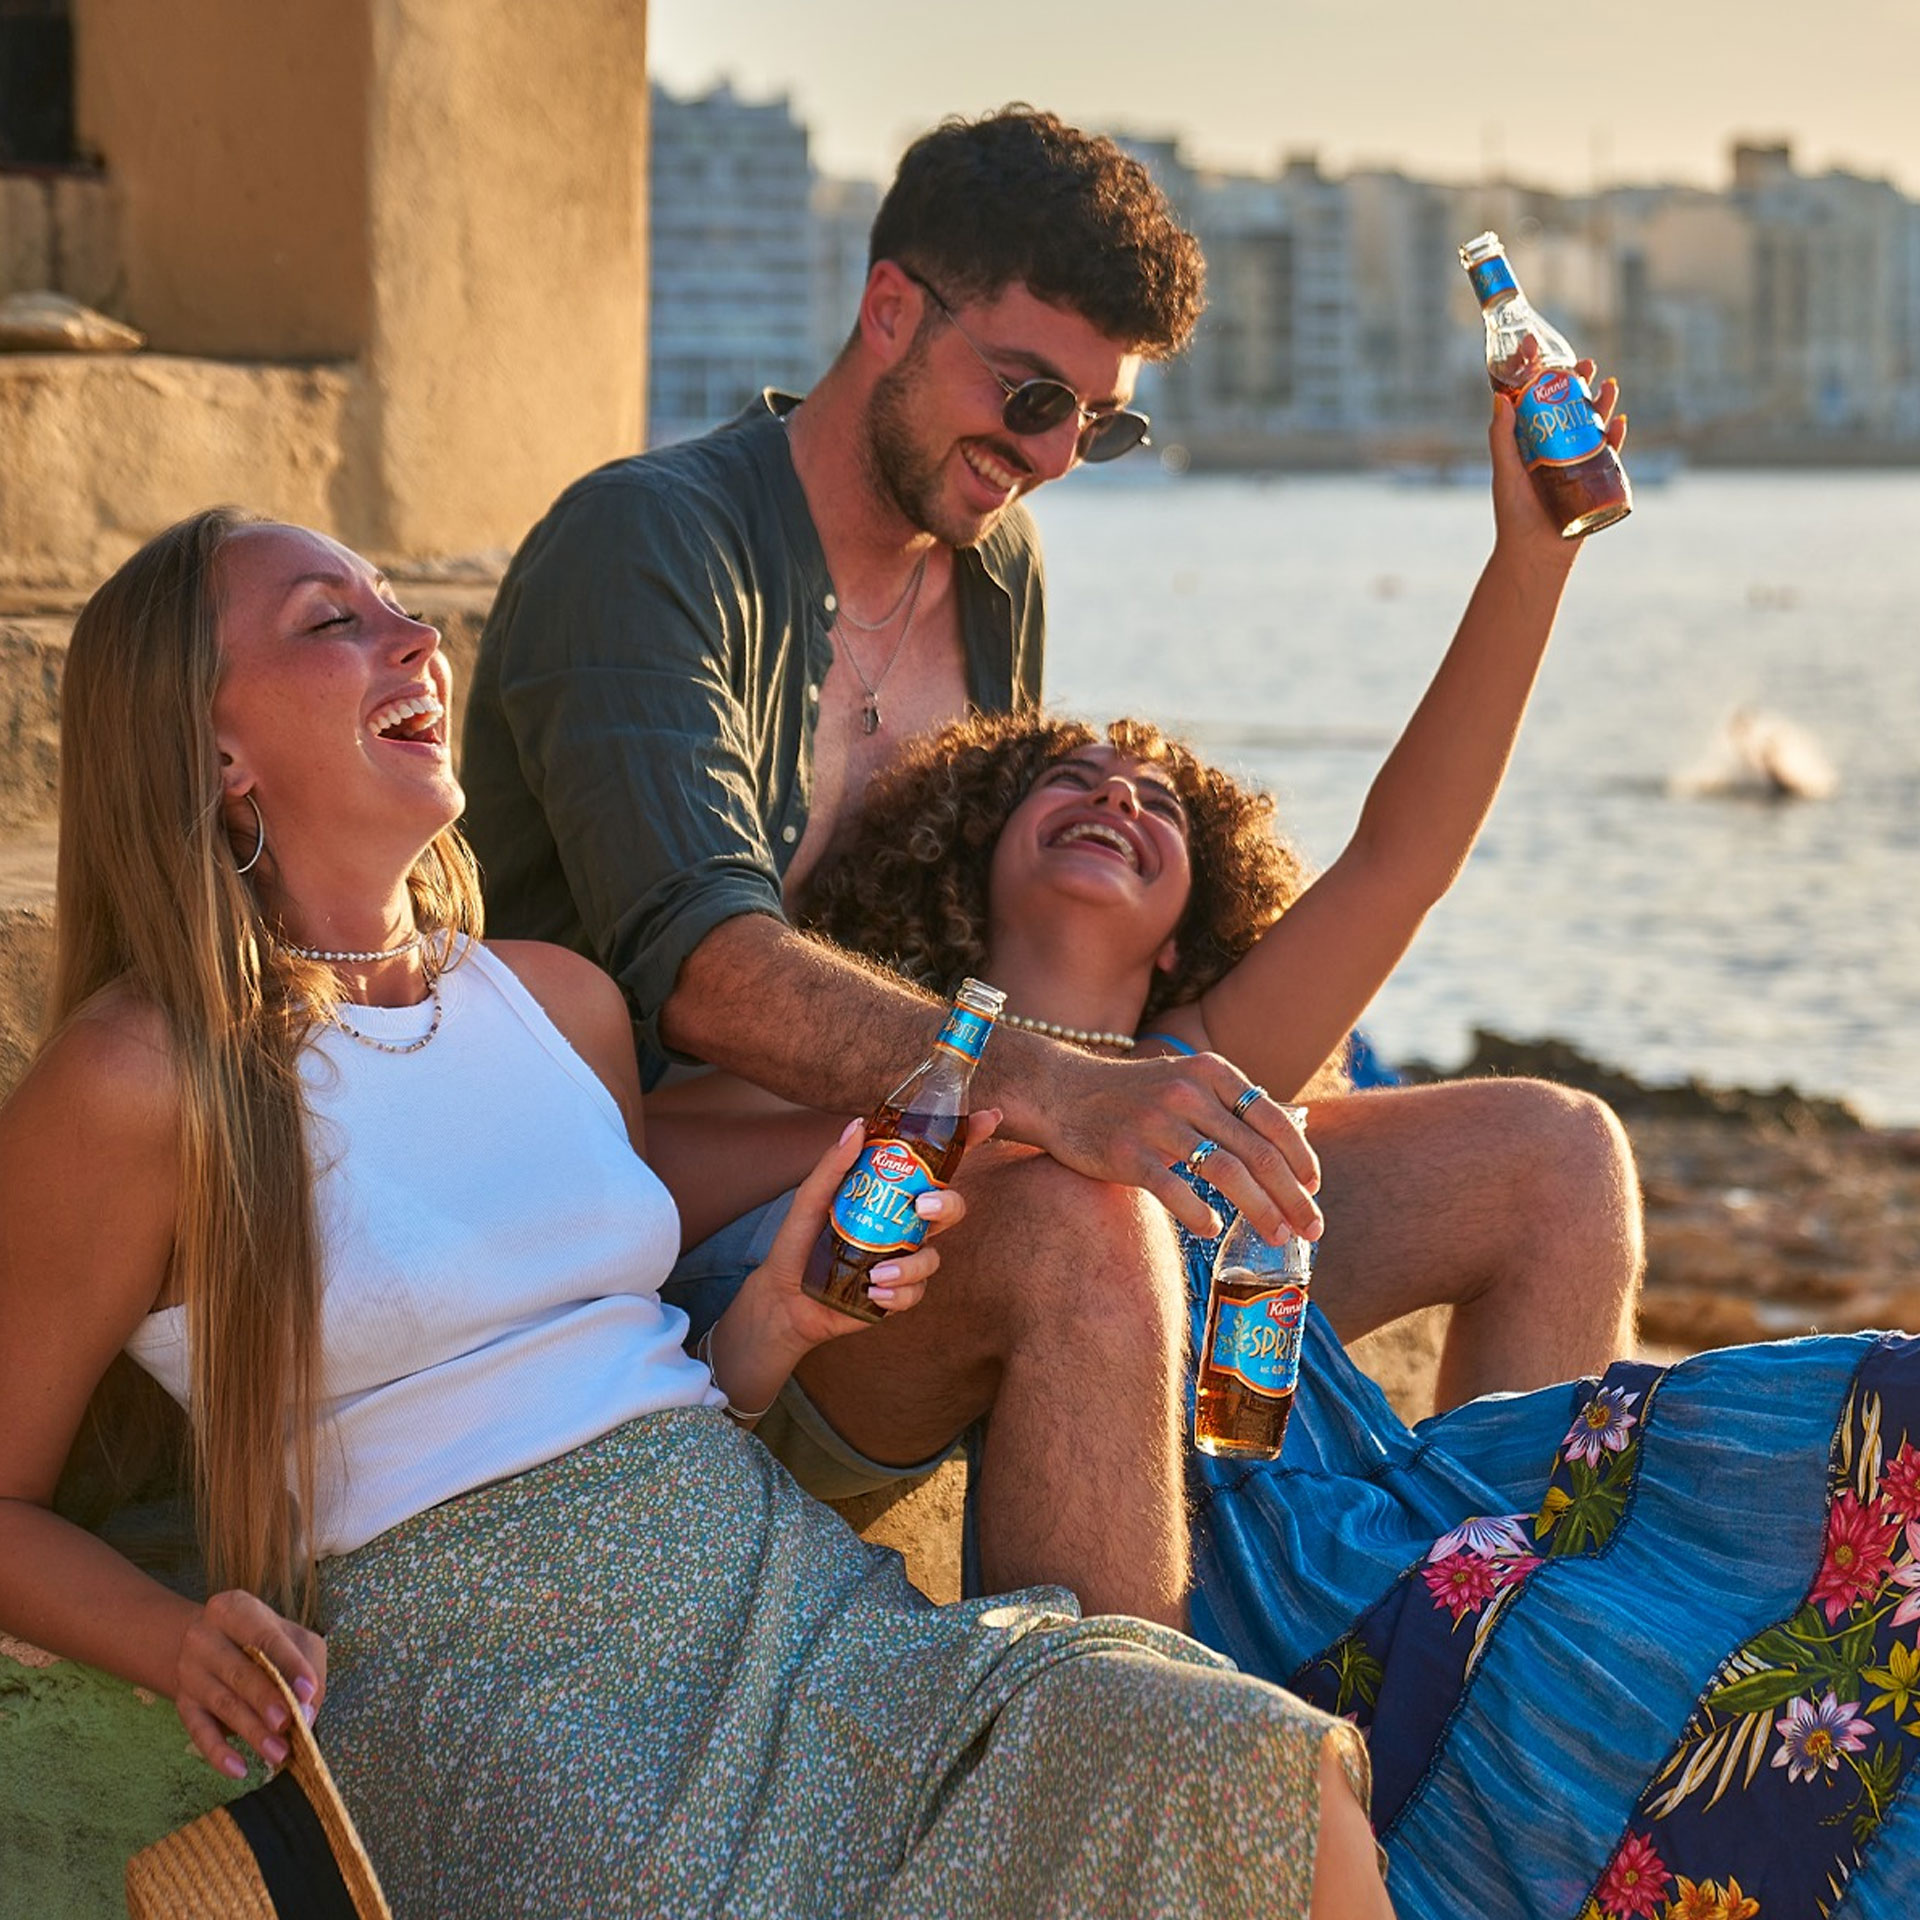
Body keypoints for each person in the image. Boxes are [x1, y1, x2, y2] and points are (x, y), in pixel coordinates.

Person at [0, 510, 1394, 1918]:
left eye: (397, 604)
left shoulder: (554, 1002)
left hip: (777, 1594)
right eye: (331, 622)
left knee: (1263, 1770)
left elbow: (622, 1386)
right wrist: (171, 1638)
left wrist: (768, 1324)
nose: (415, 637)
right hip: (499, 1703)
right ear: (215, 753)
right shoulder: (144, 1077)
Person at [461, 105, 1642, 1630]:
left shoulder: (992, 563)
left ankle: (1504, 1665)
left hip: (982, 1170)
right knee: (1092, 1221)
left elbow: (1381, 869)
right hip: (698, 1265)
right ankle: (1120, 1762)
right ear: (892, 309)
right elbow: (706, 970)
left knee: (1553, 1157)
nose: (1053, 458)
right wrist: (1048, 1097)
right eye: (1031, 396)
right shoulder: (652, 546)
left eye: (1100, 424)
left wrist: (1531, 554)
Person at [797, 593, 1920, 1914]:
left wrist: (1531, 559)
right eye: (1069, 779)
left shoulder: (1206, 1059)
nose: (1117, 794)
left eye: (1159, 803)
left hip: (1386, 1516)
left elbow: (1403, 856)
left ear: (1184, 931)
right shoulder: (916, 1078)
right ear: (967, 861)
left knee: (1880, 1429)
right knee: (1603, 1670)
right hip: (1254, 1592)